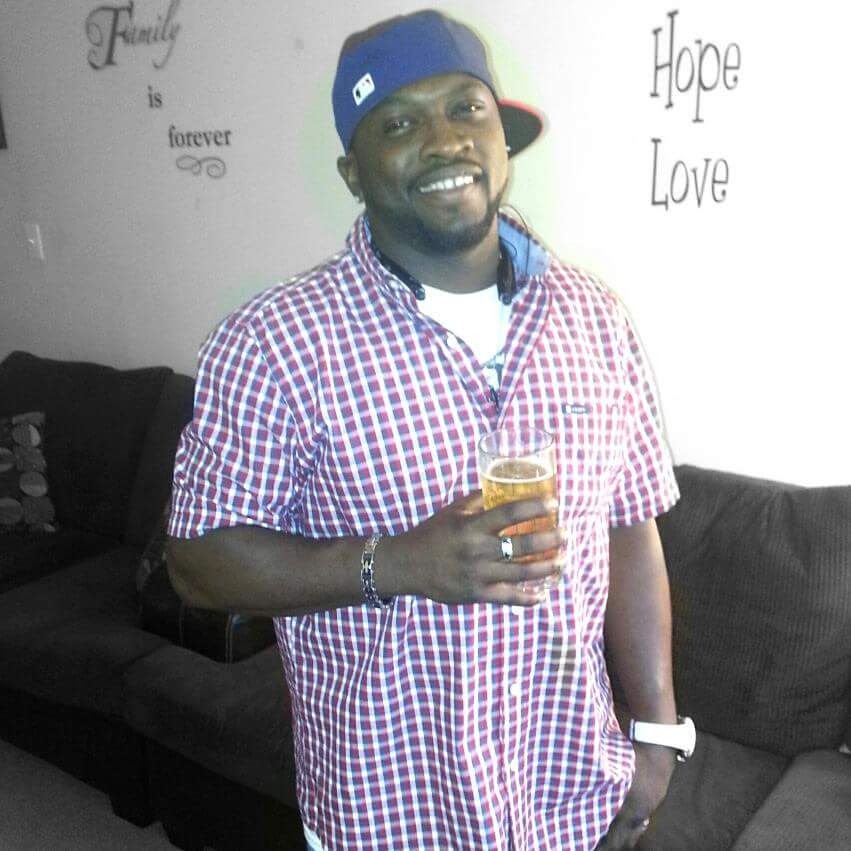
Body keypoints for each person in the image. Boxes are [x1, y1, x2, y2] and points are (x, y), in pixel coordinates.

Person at [167, 10, 692, 851]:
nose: (445, 140)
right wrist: (398, 564)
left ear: (502, 139)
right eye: (399, 124)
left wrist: (657, 735)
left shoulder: (594, 318)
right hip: (391, 812)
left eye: (466, 109)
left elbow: (630, 525)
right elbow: (196, 563)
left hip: (569, 796)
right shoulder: (274, 341)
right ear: (352, 170)